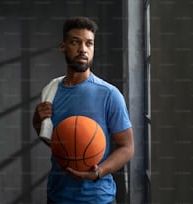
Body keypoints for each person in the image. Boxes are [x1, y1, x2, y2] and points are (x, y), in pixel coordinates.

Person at [32, 16, 134, 204]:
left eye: (89, 44)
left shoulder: (109, 94)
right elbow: (57, 141)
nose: (83, 50)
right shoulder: (51, 91)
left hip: (98, 198)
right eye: (75, 42)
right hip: (58, 196)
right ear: (63, 47)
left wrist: (98, 172)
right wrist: (37, 122)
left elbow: (127, 147)